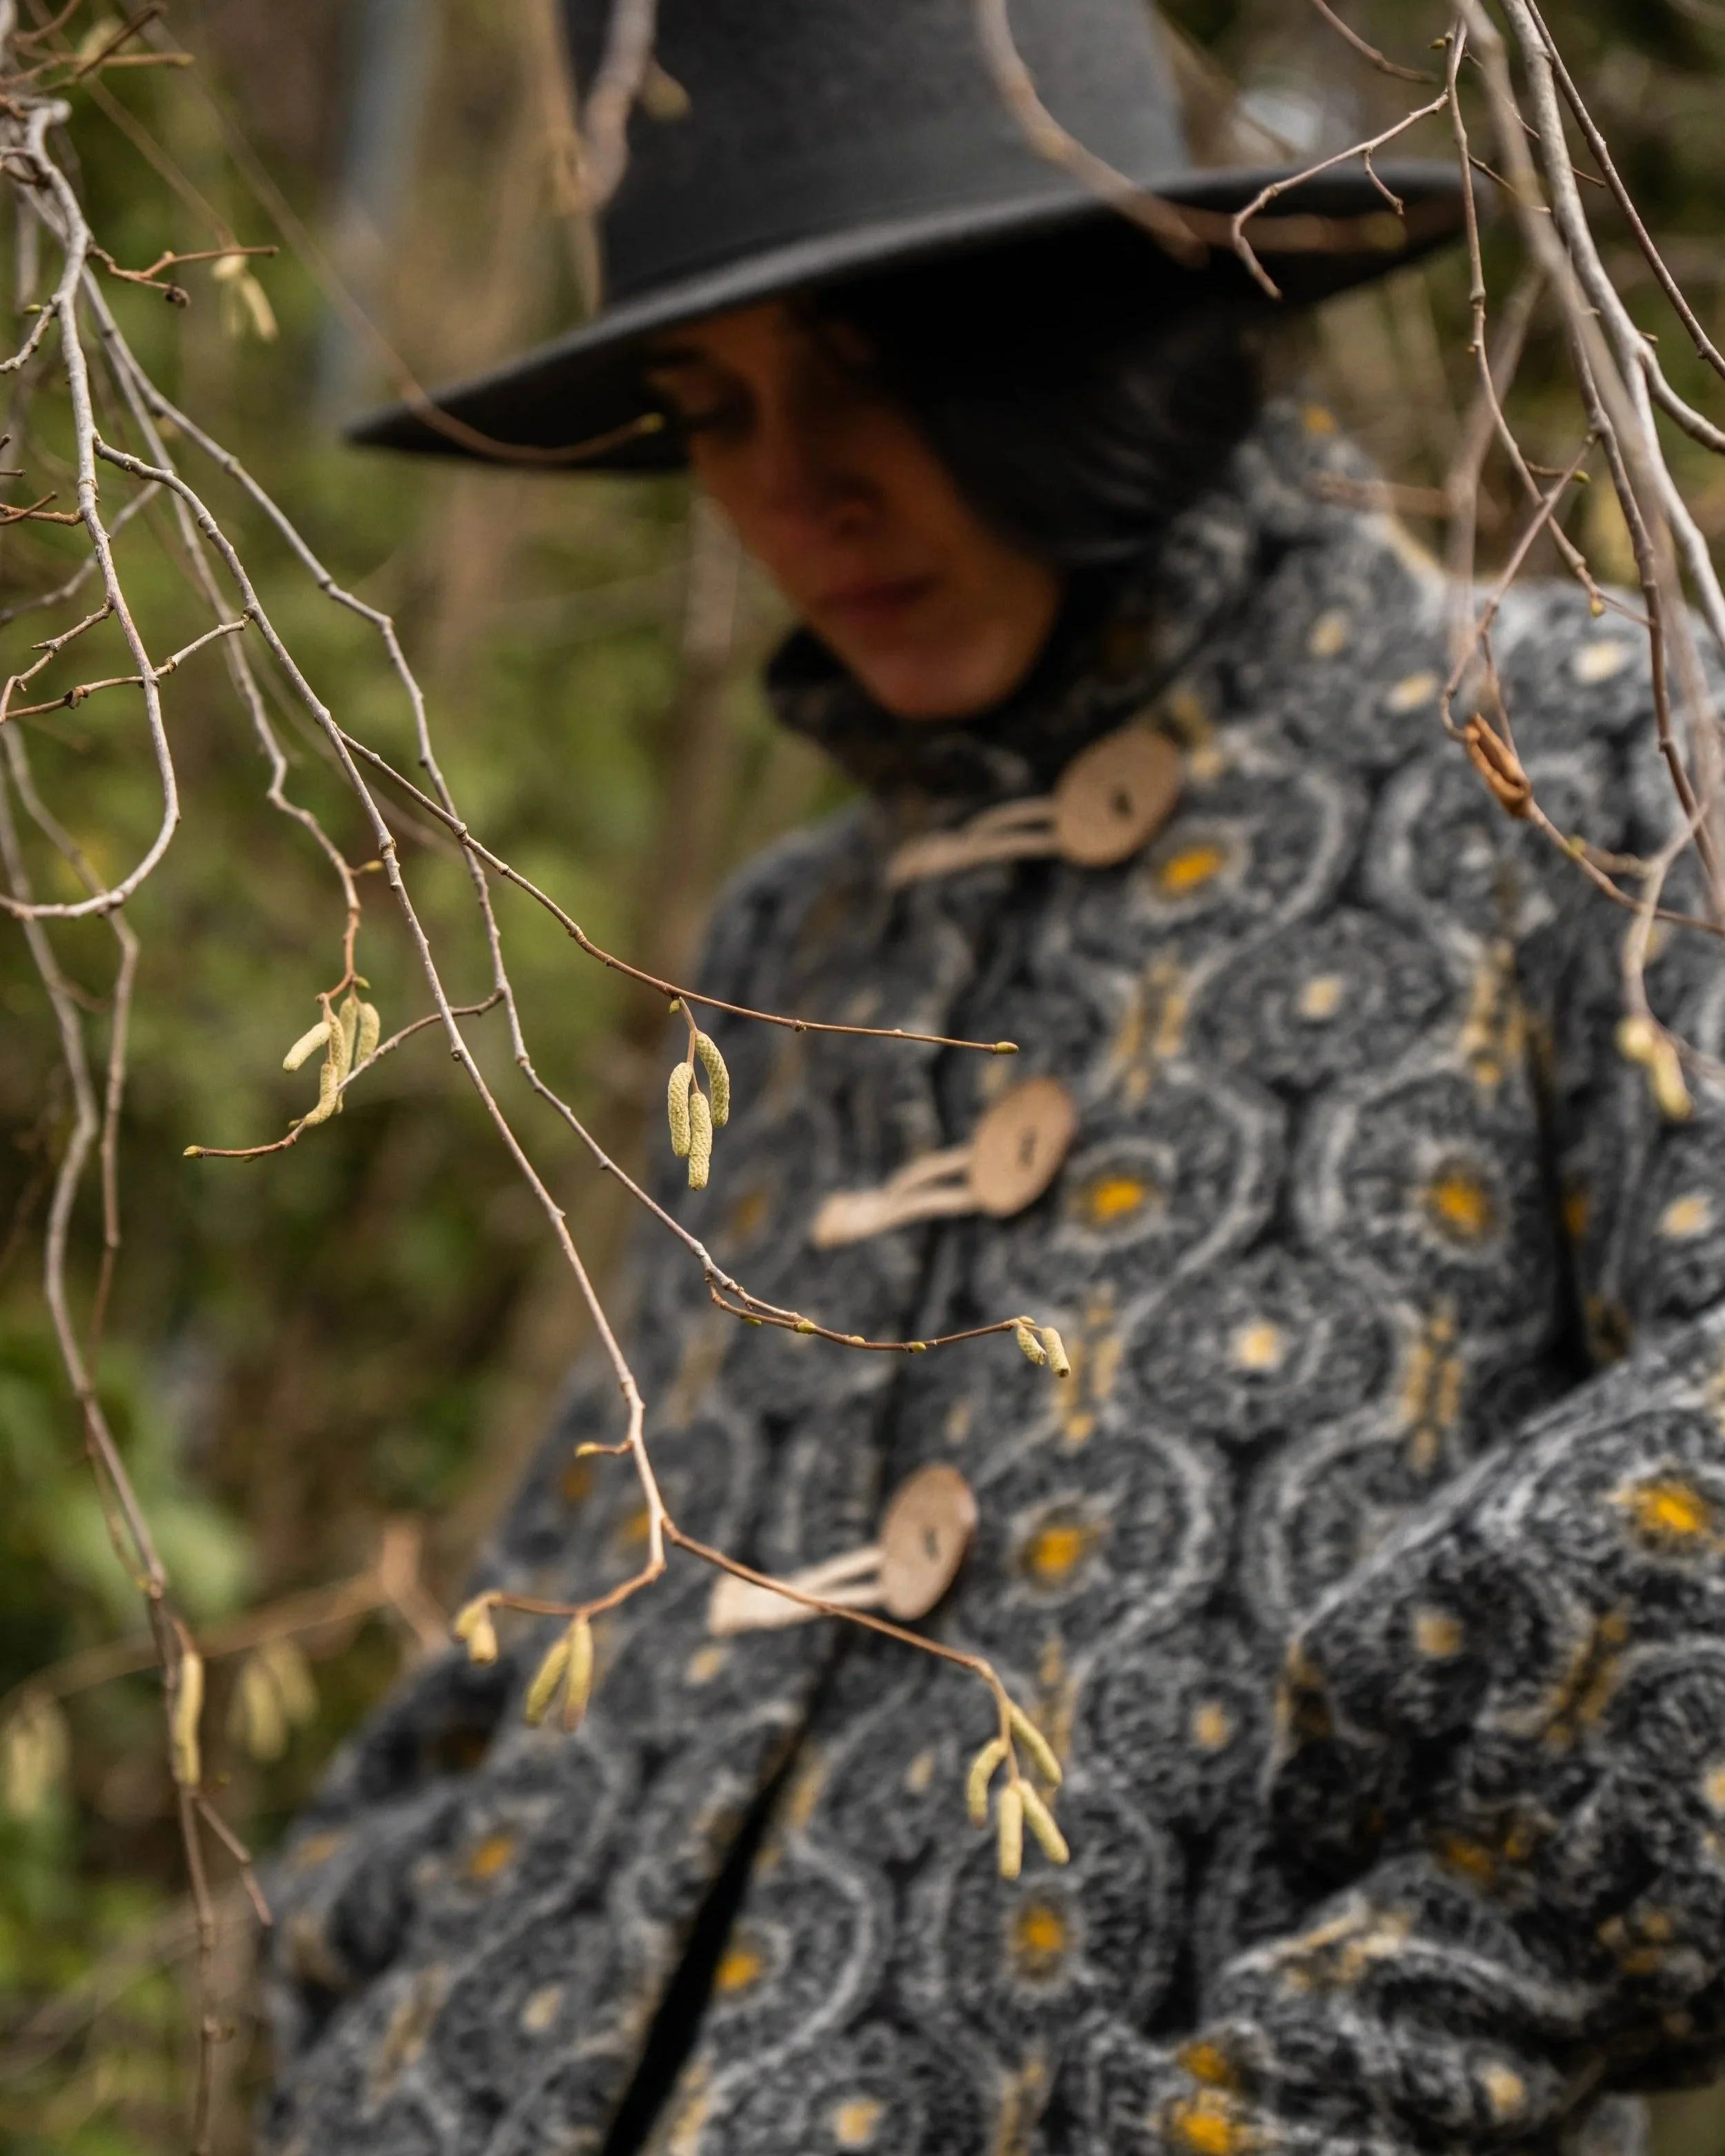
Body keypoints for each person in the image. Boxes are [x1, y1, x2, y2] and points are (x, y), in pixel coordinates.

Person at [264, 5, 1725, 2154]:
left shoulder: (1579, 750)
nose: (785, 491)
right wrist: (352, 1999)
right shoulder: (792, 936)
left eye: (864, 360)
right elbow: (565, 1609)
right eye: (707, 406)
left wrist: (1293, 2102)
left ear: (1100, 326)